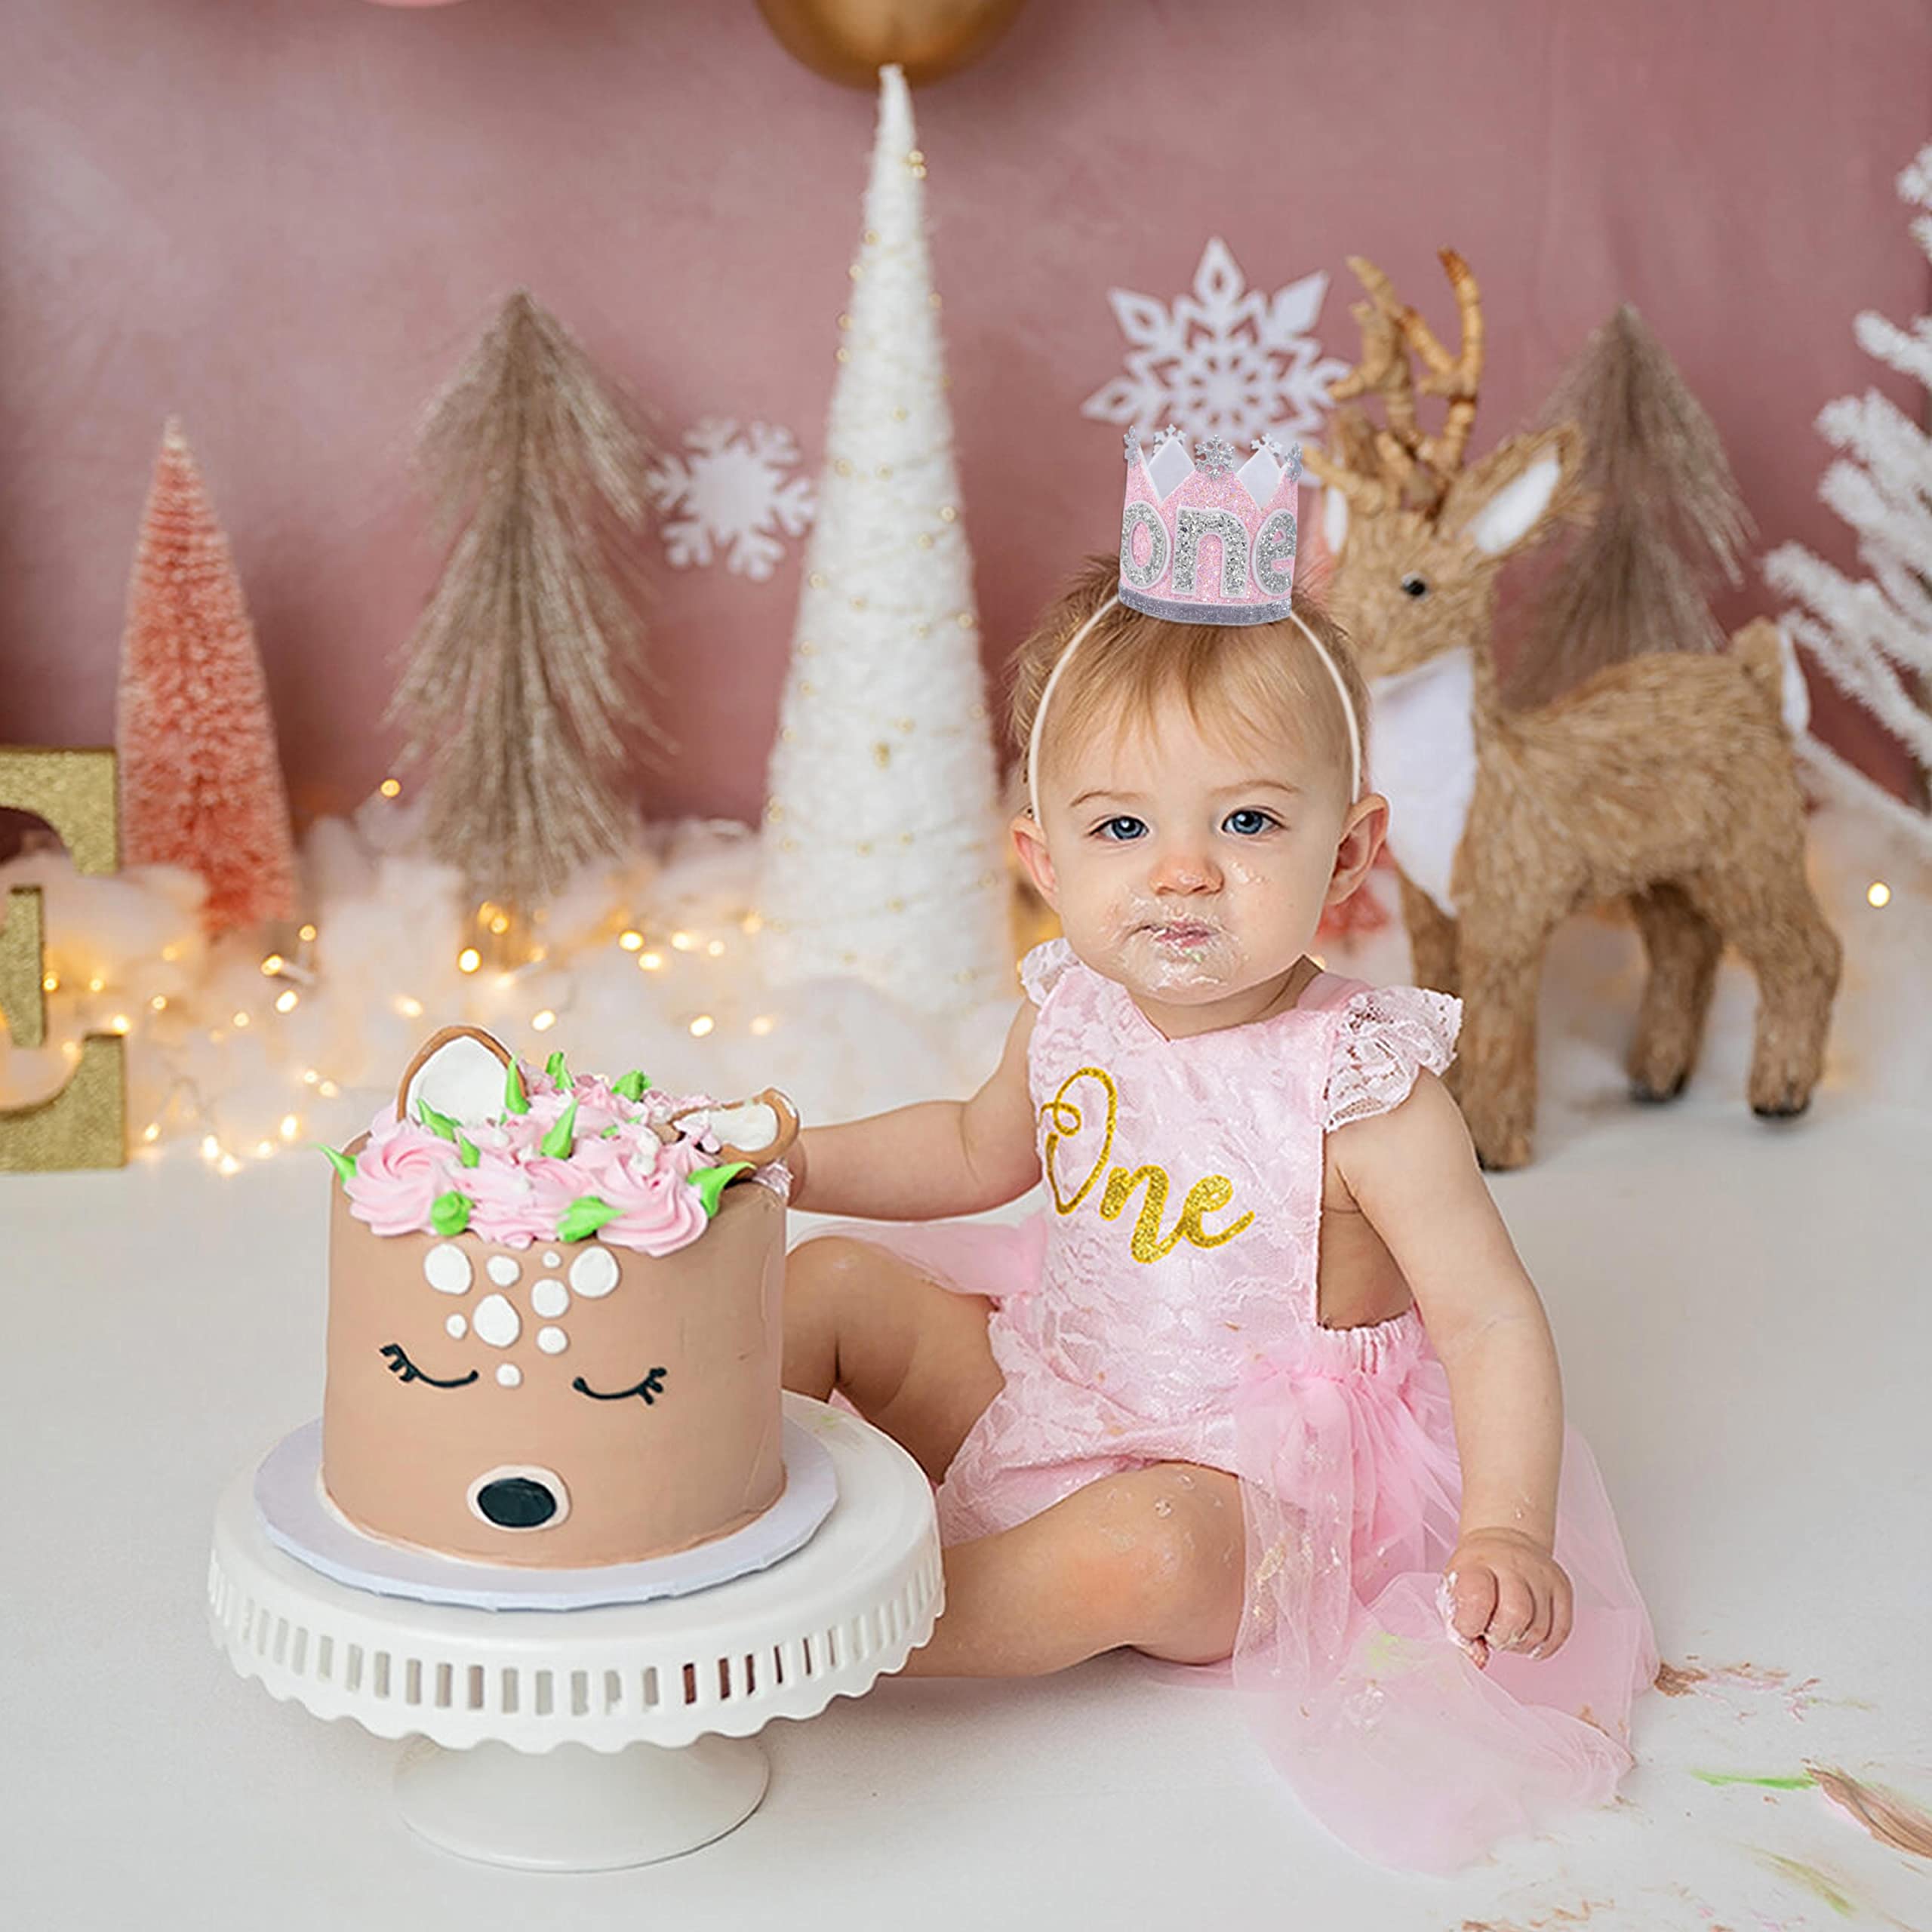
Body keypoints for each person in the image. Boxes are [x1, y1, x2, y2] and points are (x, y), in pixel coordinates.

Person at [780, 430, 1656, 1871]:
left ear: (1352, 850)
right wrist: (803, 1161)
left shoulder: (1357, 1080)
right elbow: (963, 1148)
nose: (1183, 870)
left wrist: (1507, 1529)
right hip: (1053, 1389)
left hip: (1263, 1502)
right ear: (1045, 860)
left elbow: (1490, 1315)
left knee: (1152, 1549)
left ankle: (848, 1626)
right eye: (1124, 825)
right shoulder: (1071, 1005)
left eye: (1248, 820)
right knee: (828, 1284)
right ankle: (702, 1499)